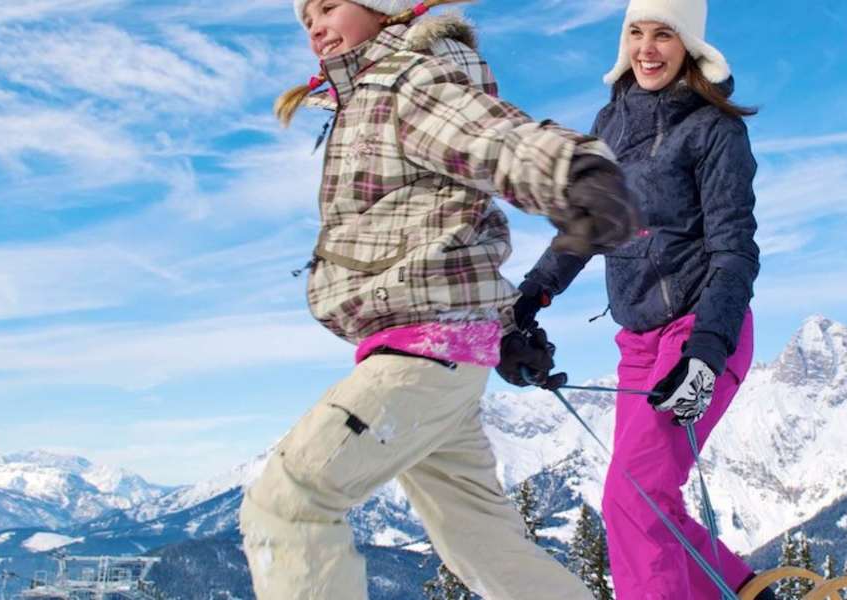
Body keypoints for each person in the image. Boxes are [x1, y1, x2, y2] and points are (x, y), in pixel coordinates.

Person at [239, 1, 639, 598]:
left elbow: (489, 137)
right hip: (435, 347)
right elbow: (439, 236)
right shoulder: (362, 99)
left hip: (421, 355)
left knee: (289, 501)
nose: (315, 26)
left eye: (328, 6)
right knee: (483, 547)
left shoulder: (404, 81)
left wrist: (572, 171)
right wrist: (504, 328)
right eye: (305, 20)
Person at [509, 0, 770, 597]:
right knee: (647, 499)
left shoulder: (714, 130)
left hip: (703, 329)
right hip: (638, 341)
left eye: (664, 34)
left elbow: (734, 252)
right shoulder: (612, 126)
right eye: (636, 33)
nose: (648, 49)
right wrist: (531, 294)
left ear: (690, 46)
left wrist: (706, 351)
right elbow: (587, 227)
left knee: (632, 497)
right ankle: (748, 591)